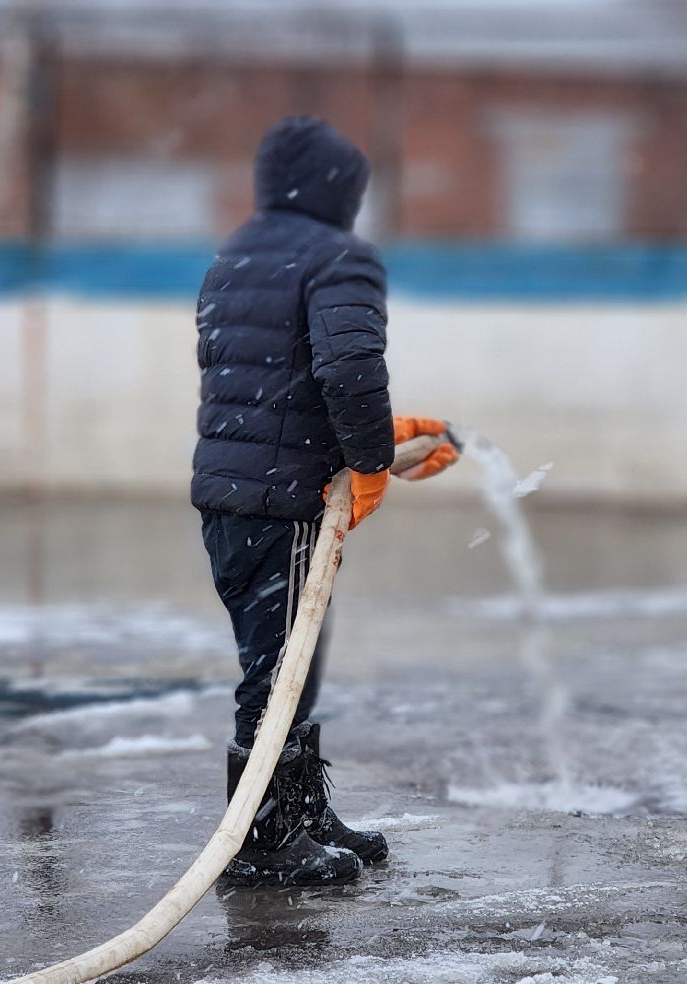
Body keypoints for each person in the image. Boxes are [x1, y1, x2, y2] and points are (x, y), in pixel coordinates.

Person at [192, 116, 457, 886]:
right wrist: (372, 458)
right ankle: (266, 840)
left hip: (231, 492)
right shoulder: (339, 256)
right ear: (339, 189)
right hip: (284, 497)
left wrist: (366, 438)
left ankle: (299, 812)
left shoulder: (236, 253)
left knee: (285, 658)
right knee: (279, 669)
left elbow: (258, 377)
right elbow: (347, 368)